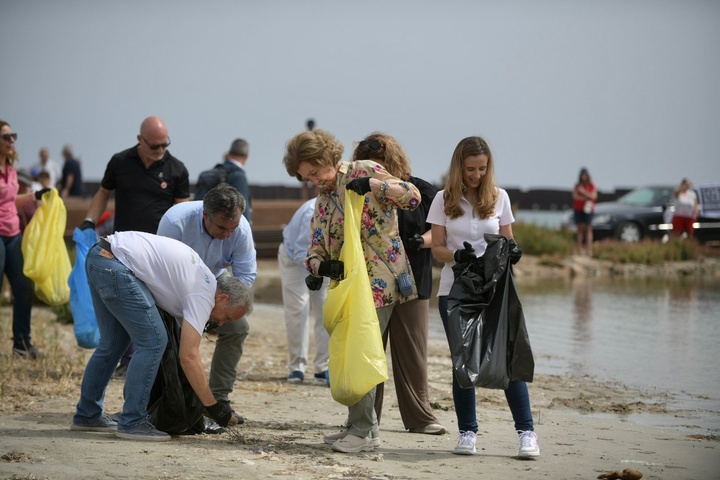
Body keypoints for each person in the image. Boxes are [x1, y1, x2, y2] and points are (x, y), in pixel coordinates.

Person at [283, 128, 421, 453]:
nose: (314, 180)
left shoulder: (364, 170)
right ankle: (361, 428)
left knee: (361, 352)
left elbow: (412, 196)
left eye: (315, 172)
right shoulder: (322, 200)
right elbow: (314, 249)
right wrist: (321, 268)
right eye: (307, 177)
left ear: (328, 158)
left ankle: (362, 430)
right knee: (348, 354)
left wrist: (374, 186)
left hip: (380, 282)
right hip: (346, 287)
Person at [71, 231, 252, 441]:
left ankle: (87, 414)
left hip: (102, 255)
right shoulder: (203, 294)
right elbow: (189, 357)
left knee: (113, 344)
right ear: (222, 298)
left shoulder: (203, 280)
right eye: (227, 317)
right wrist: (212, 406)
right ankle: (132, 421)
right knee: (153, 341)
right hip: (115, 264)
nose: (220, 324)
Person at [426, 135, 540, 458]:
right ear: (458, 167)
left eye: (481, 169)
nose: (476, 175)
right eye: (470, 169)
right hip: (455, 292)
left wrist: (512, 252)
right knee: (463, 365)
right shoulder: (442, 200)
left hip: (494, 290)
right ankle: (467, 433)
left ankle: (527, 433)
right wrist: (456, 257)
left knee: (506, 358)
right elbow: (437, 248)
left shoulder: (499, 197)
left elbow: (507, 241)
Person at [79, 116, 190, 377]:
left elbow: (182, 210)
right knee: (125, 303)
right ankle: (128, 359)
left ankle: (160, 360)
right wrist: (88, 220)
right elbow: (103, 193)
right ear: (140, 140)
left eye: (165, 144)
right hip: (123, 249)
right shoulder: (120, 162)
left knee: (157, 305)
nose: (161, 150)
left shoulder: (177, 169)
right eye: (155, 146)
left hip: (159, 251)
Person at [351, 132, 446, 436]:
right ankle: (365, 419)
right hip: (371, 283)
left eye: (380, 163)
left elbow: (439, 232)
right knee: (369, 351)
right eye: (369, 164)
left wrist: (423, 241)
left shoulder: (422, 190)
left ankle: (421, 417)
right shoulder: (358, 190)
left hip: (412, 281)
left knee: (412, 354)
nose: (375, 169)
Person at [156, 183, 256, 422]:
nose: (228, 234)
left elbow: (245, 278)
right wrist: (197, 313)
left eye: (233, 227)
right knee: (178, 338)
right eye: (222, 227)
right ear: (205, 215)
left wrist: (223, 310)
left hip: (216, 283)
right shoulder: (175, 222)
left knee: (238, 327)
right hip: (177, 288)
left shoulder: (240, 228)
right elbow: (162, 273)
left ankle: (219, 400)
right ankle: (180, 400)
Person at [0, 121, 52, 358]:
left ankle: (22, 344)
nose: (12, 140)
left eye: (13, 136)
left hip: (13, 234)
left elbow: (10, 200)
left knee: (23, 287)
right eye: (6, 137)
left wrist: (35, 196)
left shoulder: (10, 169)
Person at [278, 197, 330, 384]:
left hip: (323, 262)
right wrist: (316, 270)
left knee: (326, 310)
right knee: (298, 310)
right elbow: (302, 250)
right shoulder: (312, 210)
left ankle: (323, 367)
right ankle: (296, 367)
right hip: (295, 259)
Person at [194, 138, 252, 224]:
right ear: (246, 156)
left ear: (229, 153)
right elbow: (242, 213)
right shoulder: (238, 176)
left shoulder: (208, 174)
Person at [572, 167, 597, 256]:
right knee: (579, 230)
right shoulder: (577, 185)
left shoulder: (591, 185)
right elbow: (575, 197)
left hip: (588, 209)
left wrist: (583, 192)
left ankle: (589, 250)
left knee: (588, 229)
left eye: (585, 175)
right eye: (582, 175)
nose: (583, 176)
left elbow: (594, 196)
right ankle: (579, 249)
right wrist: (587, 197)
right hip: (578, 209)